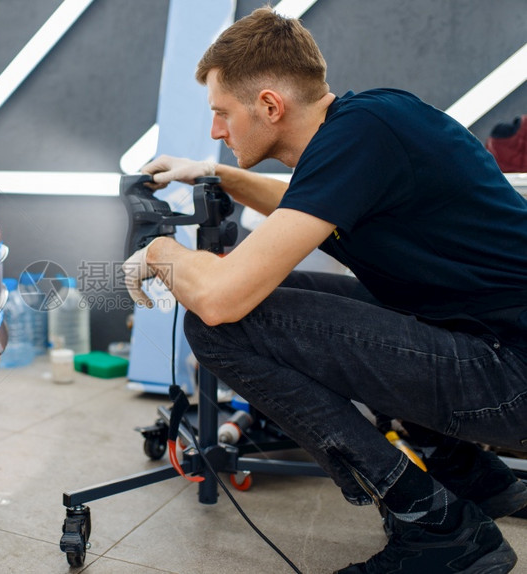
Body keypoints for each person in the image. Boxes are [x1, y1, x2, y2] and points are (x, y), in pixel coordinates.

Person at [122, 6, 527, 573]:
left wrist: (160, 252)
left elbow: (221, 298)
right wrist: (215, 174)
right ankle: (477, 482)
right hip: (497, 345)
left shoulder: (358, 139)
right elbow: (309, 202)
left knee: (218, 322)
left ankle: (437, 530)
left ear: (269, 106)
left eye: (222, 114)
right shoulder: (369, 123)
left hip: (510, 374)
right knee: (297, 296)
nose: (217, 131)